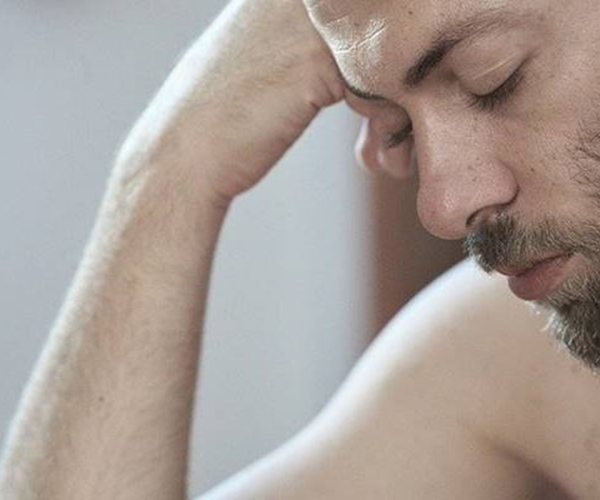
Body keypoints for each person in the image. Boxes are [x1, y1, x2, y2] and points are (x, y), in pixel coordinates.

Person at [1, 0, 599, 497]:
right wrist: (168, 167)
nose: (441, 208)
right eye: (399, 126)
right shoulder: (513, 359)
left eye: (493, 77)